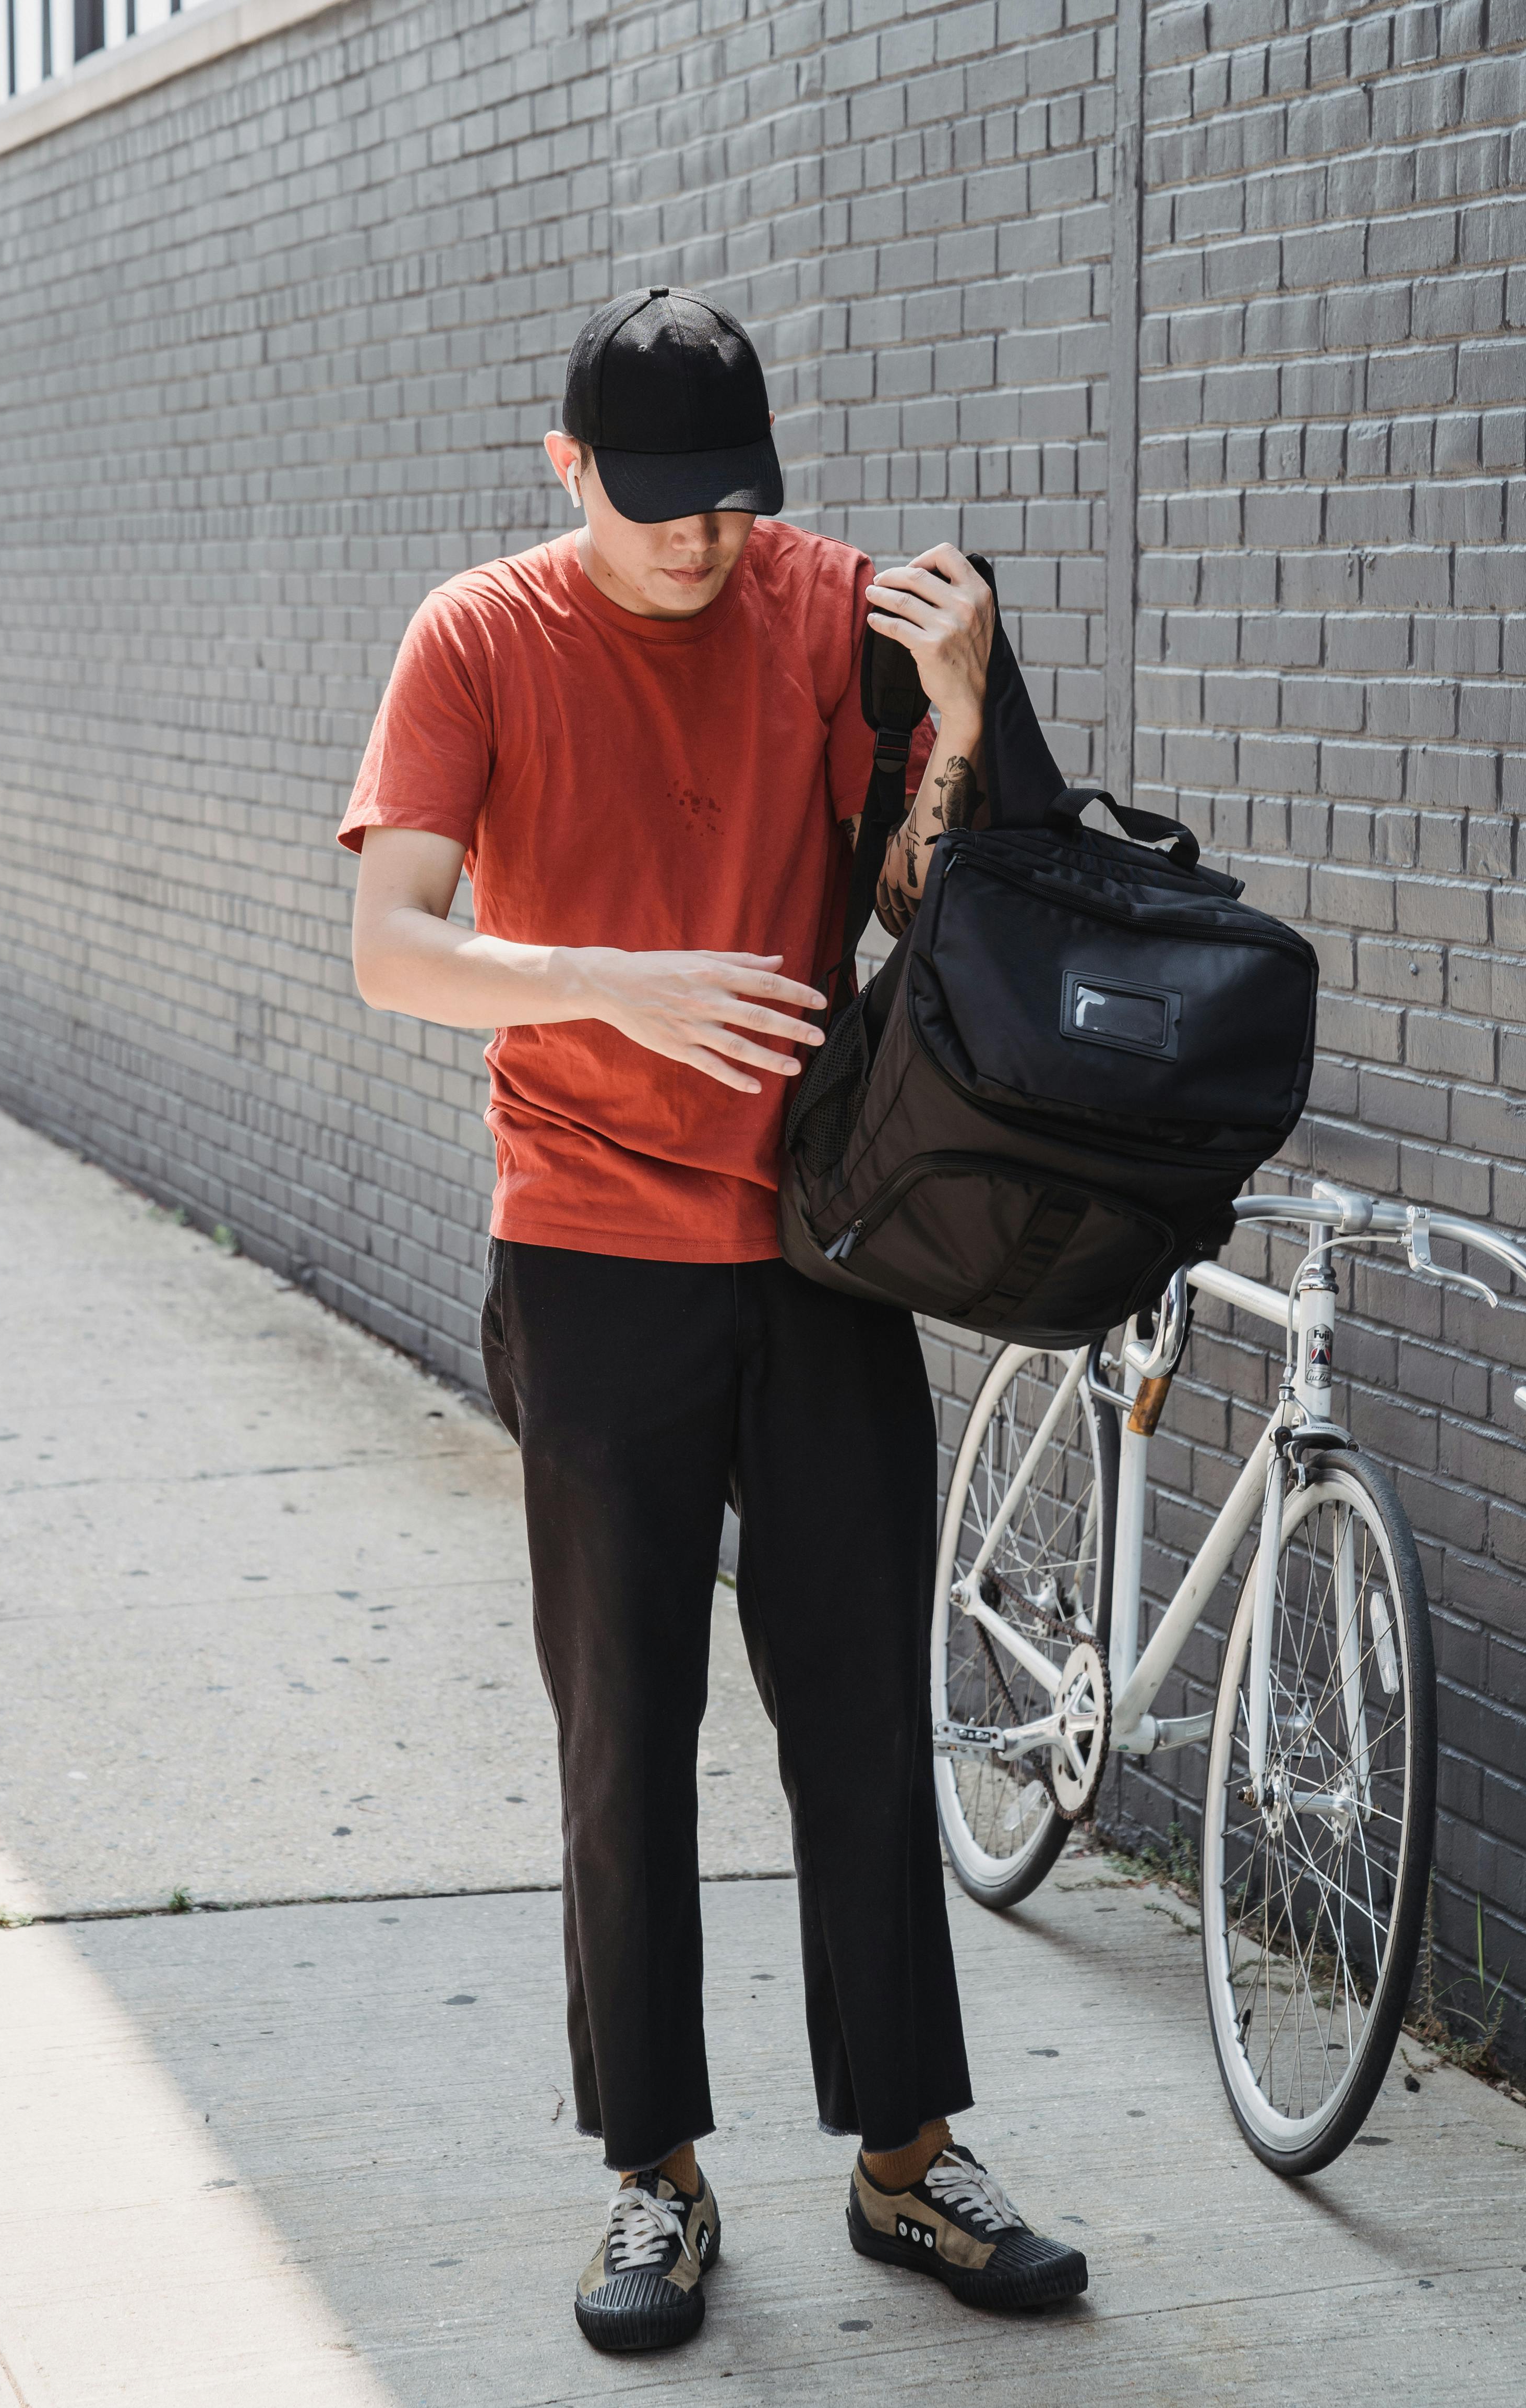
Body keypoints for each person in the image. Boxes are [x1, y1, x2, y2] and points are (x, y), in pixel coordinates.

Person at [341, 288, 1088, 2353]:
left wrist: (949, 712)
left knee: (859, 1709)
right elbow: (392, 946)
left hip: (826, 1248)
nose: (699, 546)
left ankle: (906, 2155)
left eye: (729, 505)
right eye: (655, 506)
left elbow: (922, 914)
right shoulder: (477, 637)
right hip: (587, 1255)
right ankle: (653, 2174)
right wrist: (615, 982)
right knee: (625, 1732)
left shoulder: (828, 602)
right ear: (563, 465)